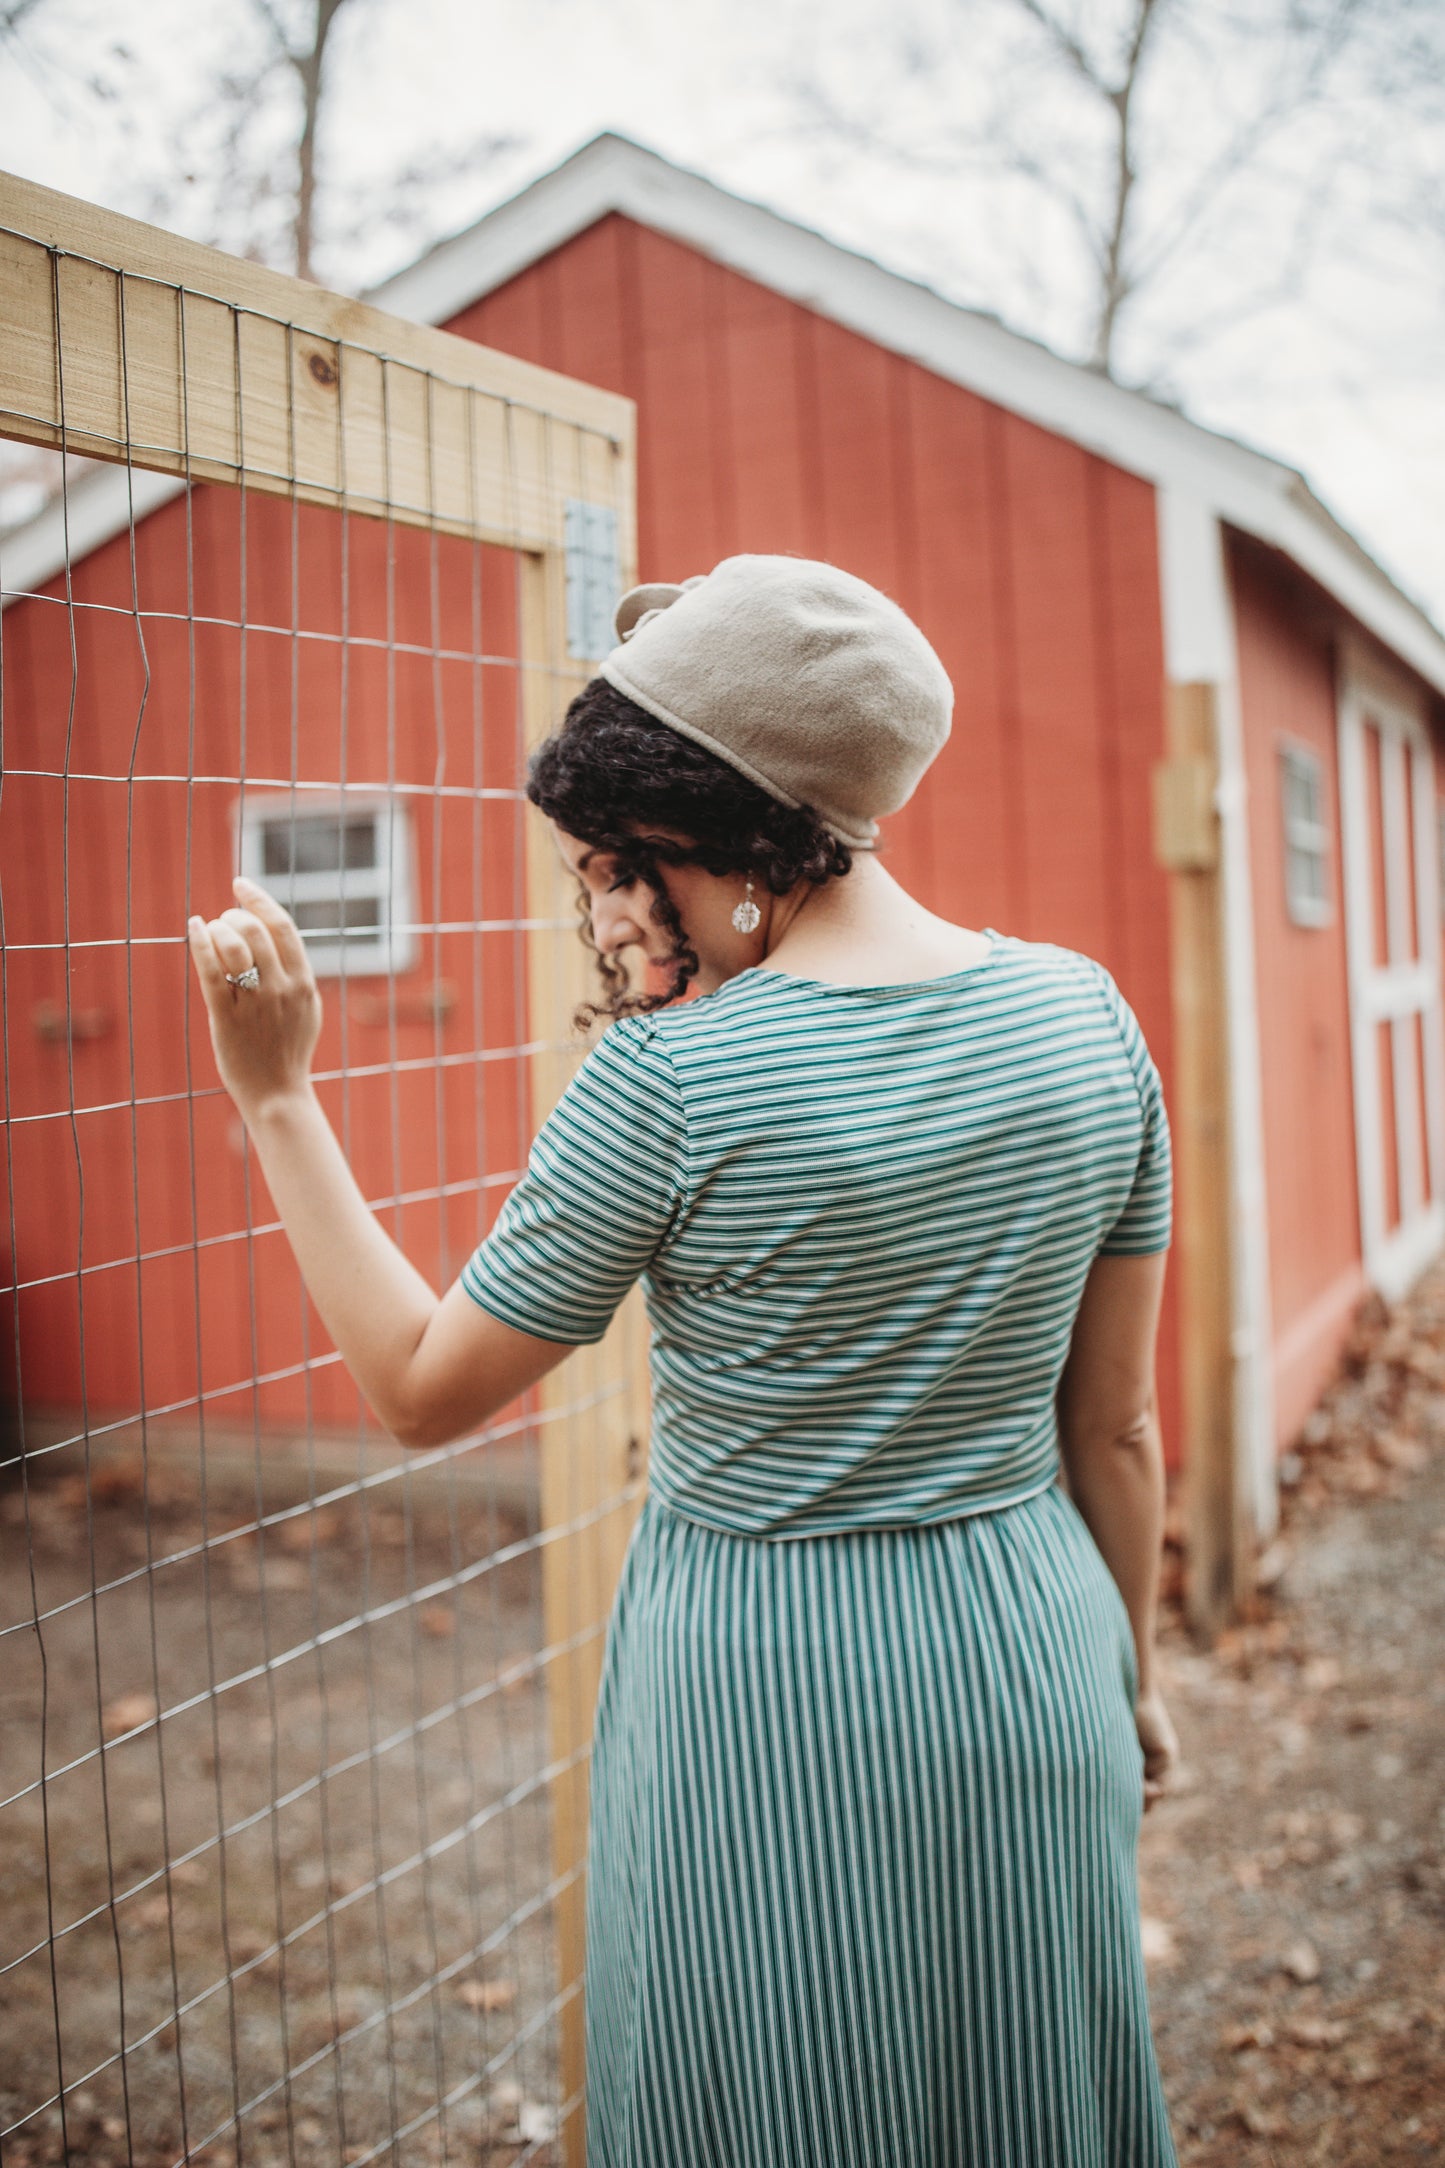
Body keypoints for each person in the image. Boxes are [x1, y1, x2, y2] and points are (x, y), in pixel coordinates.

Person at [188, 552, 1181, 2167]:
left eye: (612, 864)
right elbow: (1118, 1428)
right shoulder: (1084, 1019)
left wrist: (279, 1097)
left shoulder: (674, 1083)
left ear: (721, 844)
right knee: (1023, 2089)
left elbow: (419, 1384)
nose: (604, 911)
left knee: (764, 2100)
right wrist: (1129, 1683)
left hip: (763, 1677)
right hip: (1033, 1643)